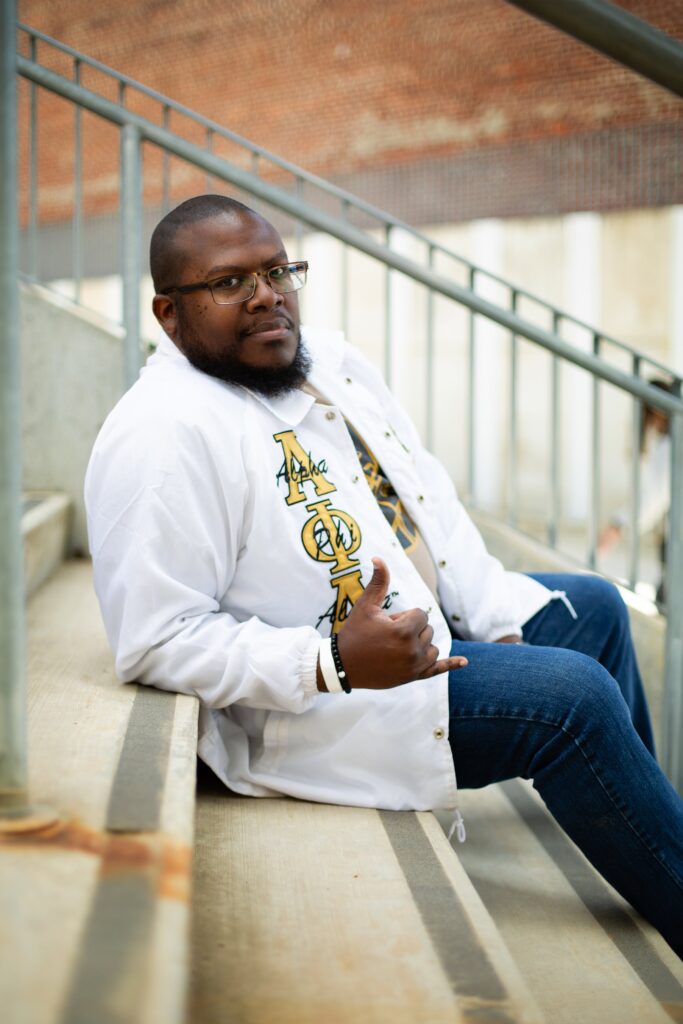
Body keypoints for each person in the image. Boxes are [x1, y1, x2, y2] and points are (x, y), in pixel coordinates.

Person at [84, 194, 683, 957]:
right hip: (320, 704)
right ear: (169, 315)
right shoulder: (162, 435)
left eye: (277, 270)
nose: (267, 293)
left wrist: (489, 603)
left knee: (593, 606)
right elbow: (154, 641)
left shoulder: (325, 365)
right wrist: (330, 661)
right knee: (570, 697)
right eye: (230, 283)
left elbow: (424, 492)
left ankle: (645, 829)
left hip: (415, 622)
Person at [598, 379, 672, 606]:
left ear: (656, 411)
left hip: (676, 541)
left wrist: (619, 523)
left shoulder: (670, 444)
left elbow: (655, 498)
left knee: (668, 601)